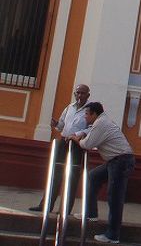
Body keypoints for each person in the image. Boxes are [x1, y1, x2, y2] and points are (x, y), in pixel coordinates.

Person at [70, 102, 135, 245]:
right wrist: (81, 133)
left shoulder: (101, 123)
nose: (85, 117)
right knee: (93, 176)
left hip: (120, 162)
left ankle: (113, 235)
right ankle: (90, 214)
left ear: (94, 114)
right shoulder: (101, 122)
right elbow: (89, 131)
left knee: (114, 197)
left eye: (87, 114)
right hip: (116, 161)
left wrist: (76, 139)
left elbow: (87, 144)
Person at [29, 84, 91, 215]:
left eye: (83, 93)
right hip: (64, 142)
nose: (80, 95)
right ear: (75, 94)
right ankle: (45, 205)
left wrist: (78, 135)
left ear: (88, 95)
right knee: (55, 173)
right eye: (78, 93)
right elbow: (62, 125)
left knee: (72, 176)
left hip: (77, 145)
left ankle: (65, 209)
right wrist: (56, 124)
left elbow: (91, 128)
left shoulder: (90, 110)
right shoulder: (69, 107)